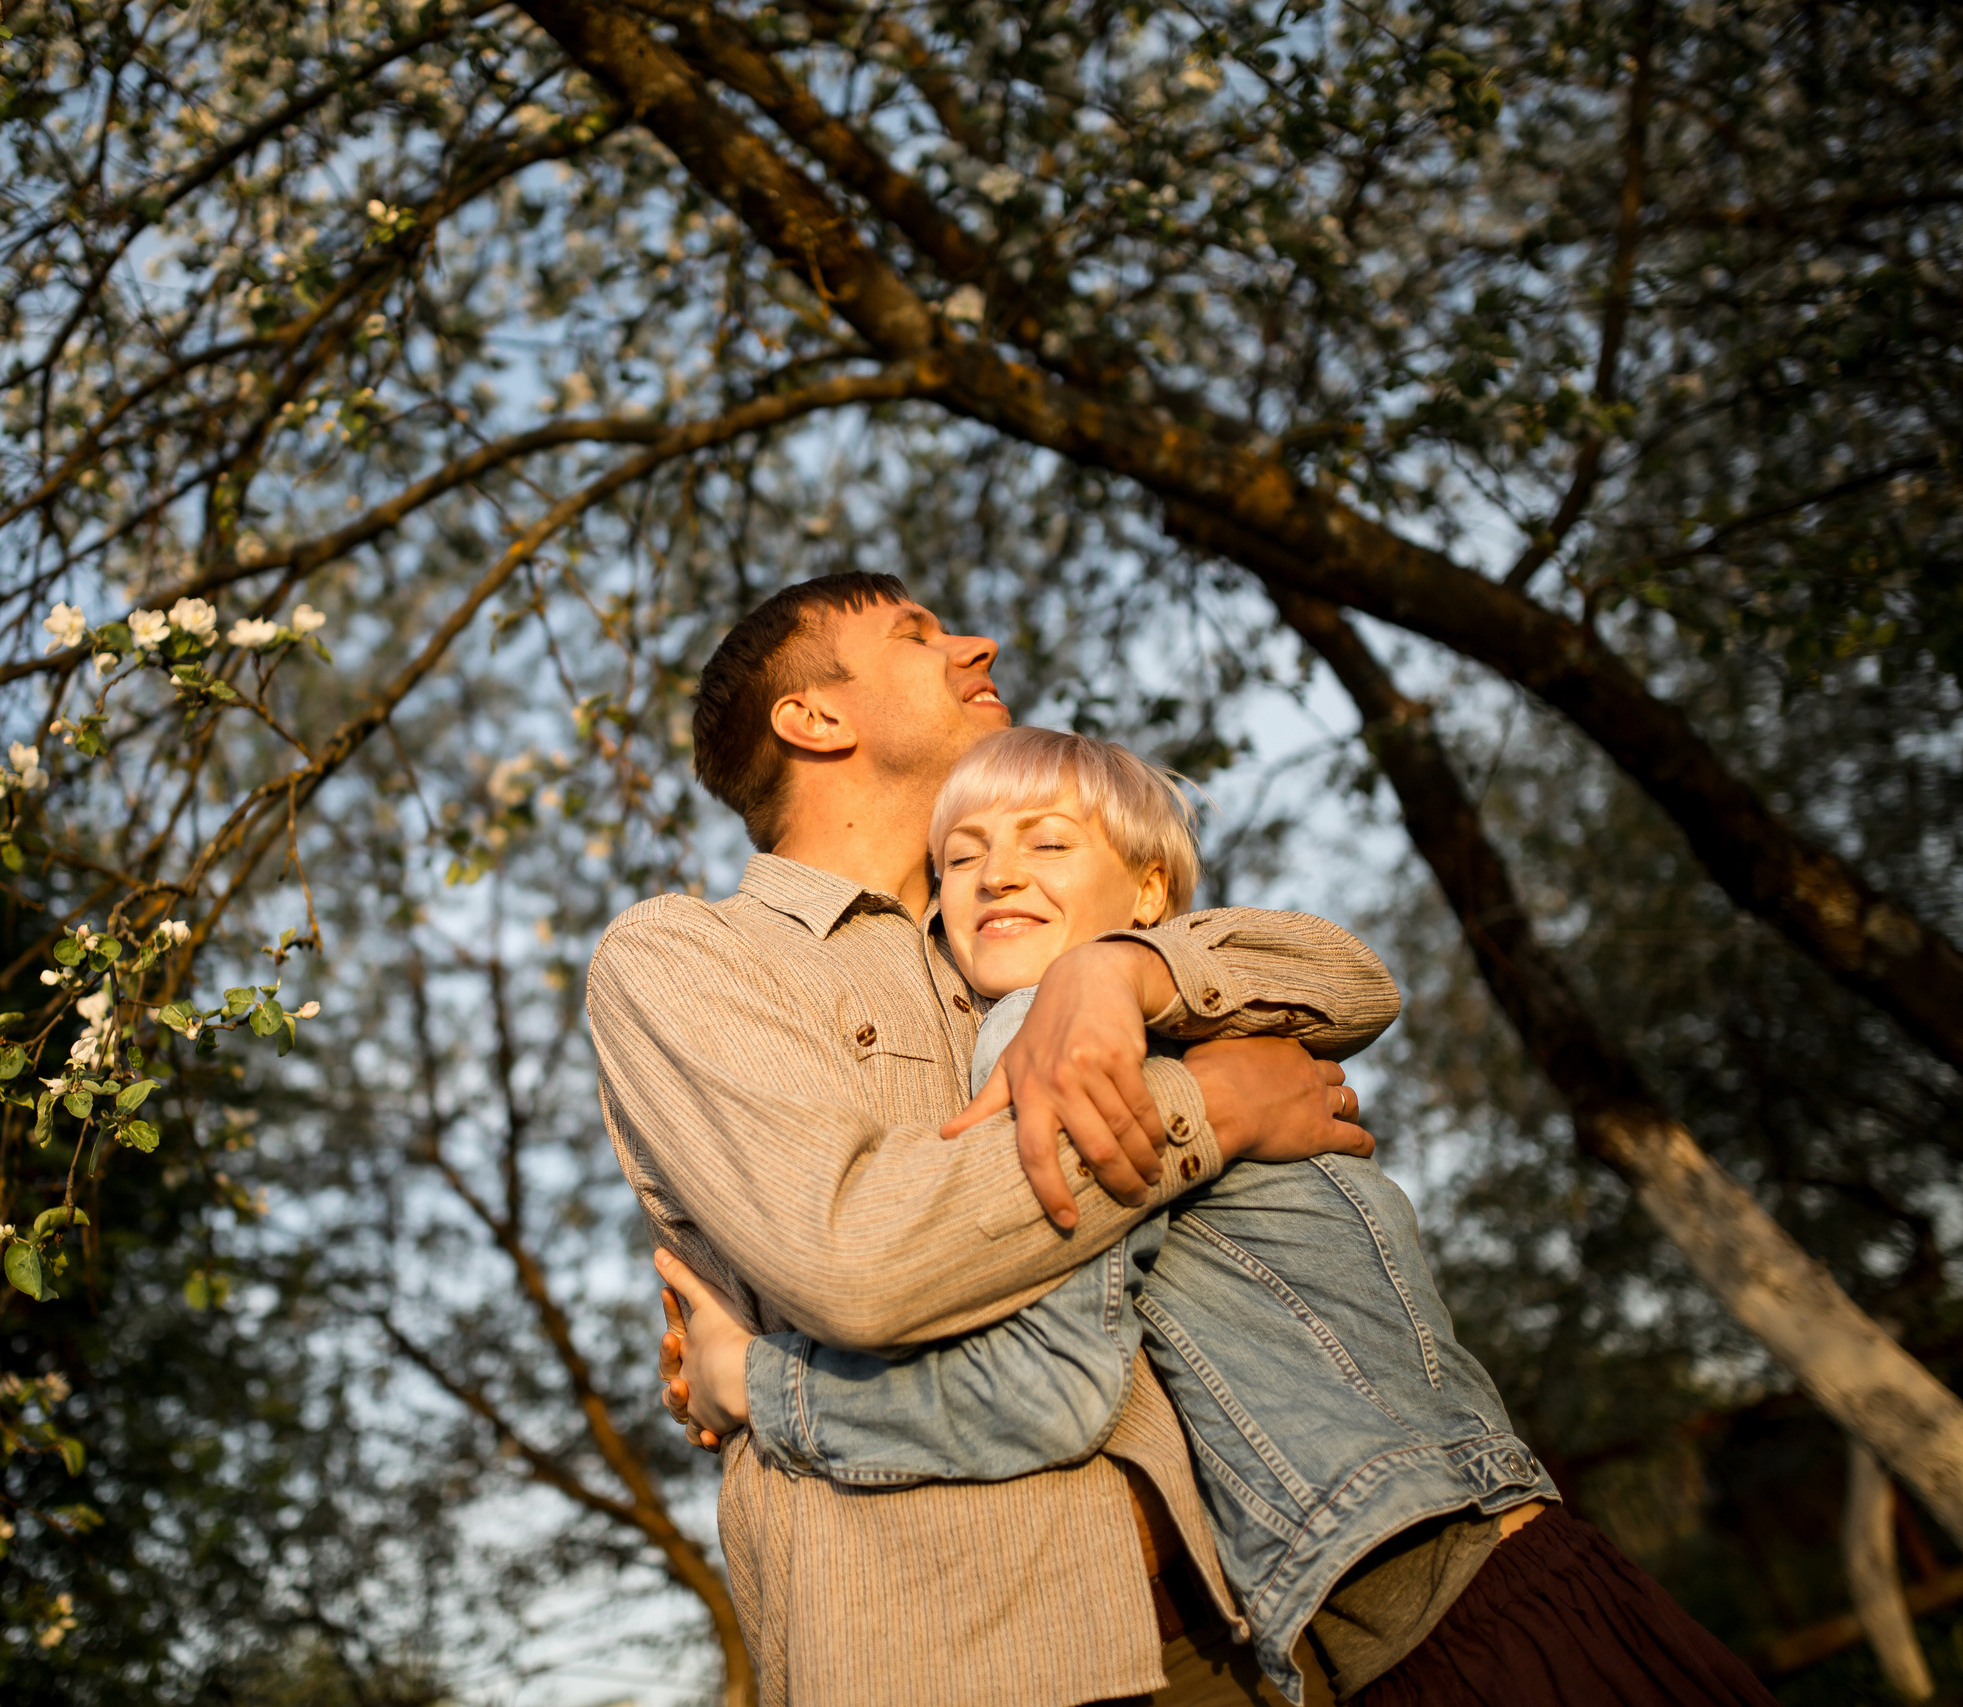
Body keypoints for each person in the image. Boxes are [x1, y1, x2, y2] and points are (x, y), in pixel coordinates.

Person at [658, 724, 1778, 1707]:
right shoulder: (1207, 1018)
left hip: (1451, 1614)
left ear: (1147, 894)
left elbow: (1045, 1390)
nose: (997, 877)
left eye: (1047, 844)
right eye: (961, 859)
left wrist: (754, 1383)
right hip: (1487, 1565)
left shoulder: (1053, 1041)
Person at [589, 571, 1405, 1707]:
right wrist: (1209, 1108)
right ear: (813, 719)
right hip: (957, 1659)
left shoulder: (1020, 930)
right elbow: (858, 1257)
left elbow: (1342, 983)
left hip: (1231, 1620)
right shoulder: (687, 955)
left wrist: (1125, 970)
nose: (978, 644)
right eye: (918, 635)